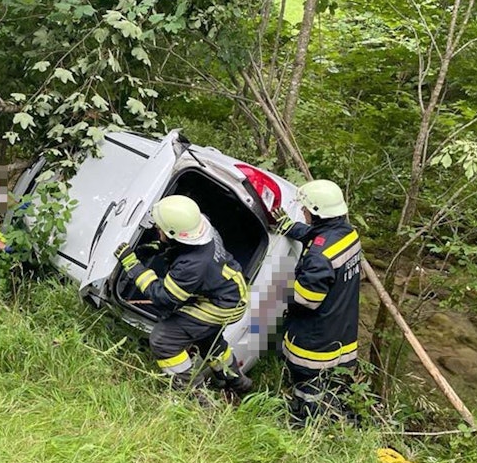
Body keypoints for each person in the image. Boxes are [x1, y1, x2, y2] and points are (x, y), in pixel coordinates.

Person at [114, 195, 253, 402]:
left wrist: (133, 266)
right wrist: (164, 247)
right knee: (208, 338)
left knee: (164, 340)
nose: (157, 230)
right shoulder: (200, 224)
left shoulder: (192, 266)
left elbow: (163, 297)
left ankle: (199, 399)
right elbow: (185, 249)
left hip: (222, 306)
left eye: (160, 229)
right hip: (231, 292)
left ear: (172, 233)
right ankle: (237, 382)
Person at [271, 179, 362, 426]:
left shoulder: (319, 258)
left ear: (317, 212)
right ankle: (331, 413)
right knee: (330, 381)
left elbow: (305, 300)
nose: (302, 212)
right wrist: (289, 227)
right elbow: (316, 236)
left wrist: (278, 287)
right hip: (340, 328)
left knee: (307, 385)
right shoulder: (347, 234)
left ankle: (303, 423)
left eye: (305, 209)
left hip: (314, 340)